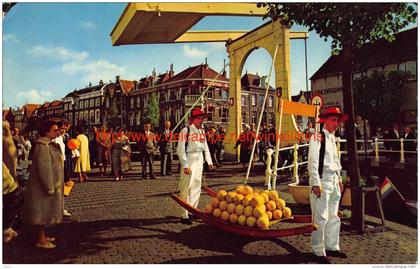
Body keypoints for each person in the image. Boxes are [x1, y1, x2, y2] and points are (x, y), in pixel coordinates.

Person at [308, 107, 348, 263]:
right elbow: (313, 162)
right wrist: (316, 183)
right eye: (333, 120)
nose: (336, 123)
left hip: (333, 181)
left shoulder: (332, 138)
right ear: (325, 121)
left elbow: (335, 162)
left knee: (334, 216)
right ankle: (318, 250)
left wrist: (339, 180)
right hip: (322, 180)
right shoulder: (317, 137)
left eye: (338, 120)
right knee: (321, 216)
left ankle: (332, 246)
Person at [22, 120, 64, 249]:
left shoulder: (49, 144)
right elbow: (44, 168)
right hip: (43, 187)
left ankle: (43, 235)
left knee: (45, 212)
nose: (58, 132)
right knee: (42, 212)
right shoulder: (43, 146)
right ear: (47, 131)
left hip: (50, 185)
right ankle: (41, 239)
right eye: (55, 130)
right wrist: (49, 187)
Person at [177, 108, 214, 224]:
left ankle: (193, 211)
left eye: (202, 118)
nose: (201, 120)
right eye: (199, 118)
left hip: (199, 160)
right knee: (186, 187)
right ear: (192, 119)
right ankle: (184, 215)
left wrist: (209, 161)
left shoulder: (202, 132)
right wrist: (185, 165)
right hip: (189, 159)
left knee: (196, 186)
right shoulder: (185, 130)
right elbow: (180, 149)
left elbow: (206, 147)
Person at [53, 120, 72, 217]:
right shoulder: (55, 139)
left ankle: (60, 208)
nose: (64, 130)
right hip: (57, 165)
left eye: (65, 129)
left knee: (60, 188)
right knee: (57, 188)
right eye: (62, 128)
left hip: (62, 162)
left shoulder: (60, 138)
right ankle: (58, 209)